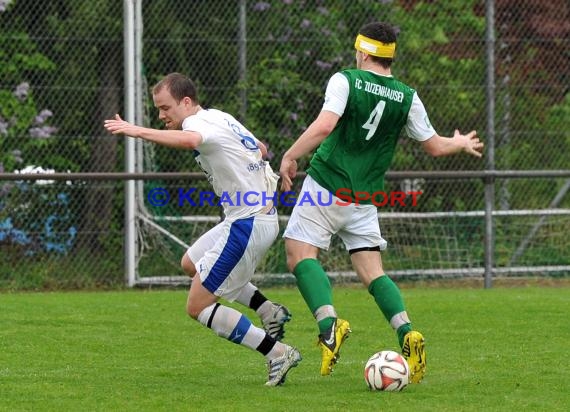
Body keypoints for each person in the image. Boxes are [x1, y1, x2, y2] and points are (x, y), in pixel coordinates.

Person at [279, 21, 484, 382]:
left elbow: (325, 126)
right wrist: (461, 143)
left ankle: (329, 324)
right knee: (373, 271)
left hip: (327, 184)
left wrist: (290, 156)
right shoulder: (408, 96)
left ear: (362, 51)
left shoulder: (346, 80)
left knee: (299, 253)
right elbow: (435, 146)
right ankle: (407, 332)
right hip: (365, 198)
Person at [105, 72, 301, 386]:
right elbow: (262, 149)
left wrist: (136, 130)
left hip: (247, 224)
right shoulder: (220, 117)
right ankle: (268, 310)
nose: (162, 115)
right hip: (248, 217)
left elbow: (191, 140)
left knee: (197, 306)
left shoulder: (195, 125)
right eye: (158, 109)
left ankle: (276, 352)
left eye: (166, 108)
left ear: (186, 102)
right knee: (190, 264)